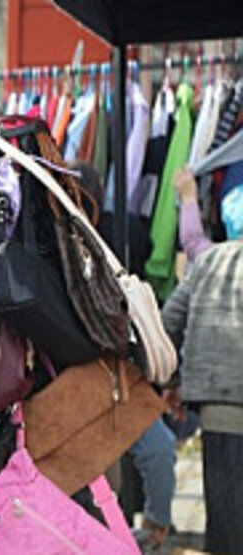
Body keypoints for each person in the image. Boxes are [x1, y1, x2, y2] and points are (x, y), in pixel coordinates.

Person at [75, 162, 176, 551]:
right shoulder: (120, 234)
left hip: (94, 373)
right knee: (151, 450)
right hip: (112, 369)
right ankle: (149, 528)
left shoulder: (60, 244)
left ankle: (142, 528)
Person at [161, 168, 243, 555]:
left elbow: (168, 324)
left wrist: (171, 381)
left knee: (225, 518)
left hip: (217, 411)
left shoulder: (207, 263)